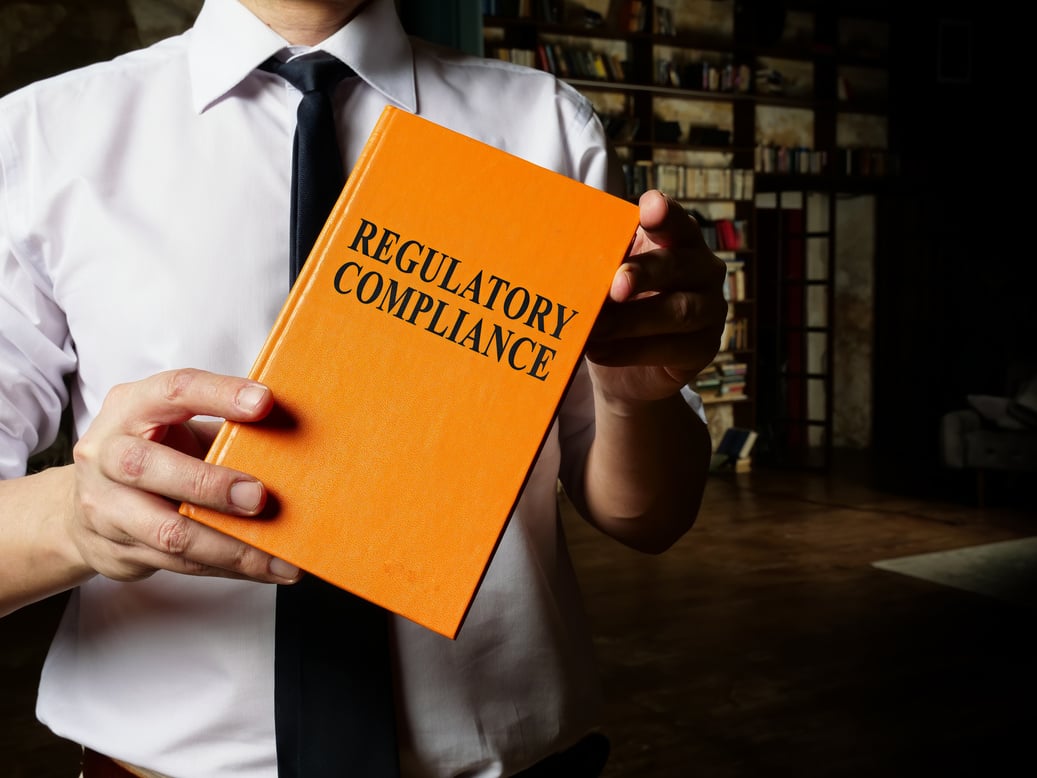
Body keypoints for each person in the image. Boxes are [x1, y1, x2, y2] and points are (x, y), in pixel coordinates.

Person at [0, 0, 727, 775]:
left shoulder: (543, 123)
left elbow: (646, 518)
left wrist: (631, 399)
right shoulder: (45, 134)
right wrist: (81, 518)